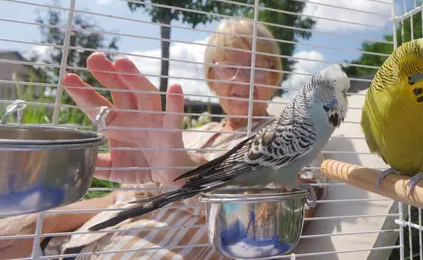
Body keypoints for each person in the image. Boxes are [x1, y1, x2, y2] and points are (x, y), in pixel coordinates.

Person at [0, 19, 326, 259]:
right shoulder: (188, 134)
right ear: (212, 77)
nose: (245, 78)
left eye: (258, 65)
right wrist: (39, 222)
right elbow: (121, 199)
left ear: (274, 75)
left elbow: (285, 210)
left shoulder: (291, 137)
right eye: (230, 67)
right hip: (70, 247)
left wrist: (191, 174)